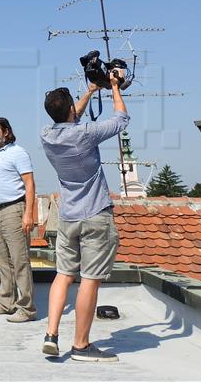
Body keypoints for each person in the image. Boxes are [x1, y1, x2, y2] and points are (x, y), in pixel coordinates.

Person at [40, 73, 128, 362]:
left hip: (67, 216)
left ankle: (51, 335)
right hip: (94, 214)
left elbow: (68, 118)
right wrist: (114, 87)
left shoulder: (47, 135)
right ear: (69, 112)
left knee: (63, 275)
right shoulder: (85, 134)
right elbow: (121, 120)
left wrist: (90, 90)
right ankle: (81, 345)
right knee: (89, 279)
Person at [0, 117, 37, 323]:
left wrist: (28, 214)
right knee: (3, 261)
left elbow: (30, 184)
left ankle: (27, 309)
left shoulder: (18, 153)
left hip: (14, 209)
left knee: (20, 261)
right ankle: (7, 303)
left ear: (6, 132)